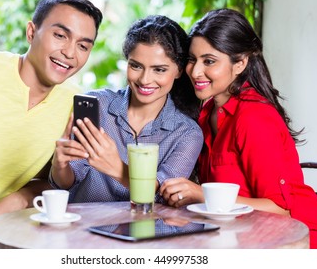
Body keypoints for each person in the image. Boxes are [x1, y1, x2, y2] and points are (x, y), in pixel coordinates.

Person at [0, 0, 103, 249]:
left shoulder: (74, 105)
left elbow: (58, 181)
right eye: (60, 35)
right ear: (31, 32)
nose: (70, 52)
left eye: (83, 45)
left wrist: (23, 195)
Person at [160, 8, 317, 248]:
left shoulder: (253, 116)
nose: (195, 71)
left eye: (209, 61)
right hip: (244, 239)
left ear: (240, 63)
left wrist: (200, 194)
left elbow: (279, 210)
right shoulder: (207, 114)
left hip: (299, 242)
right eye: (191, 59)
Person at [49, 15, 203, 203]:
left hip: (147, 230)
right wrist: (60, 166)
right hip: (86, 227)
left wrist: (118, 168)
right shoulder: (98, 105)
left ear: (178, 70)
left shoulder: (186, 133)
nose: (145, 79)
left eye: (159, 70)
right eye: (136, 66)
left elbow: (165, 196)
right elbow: (66, 182)